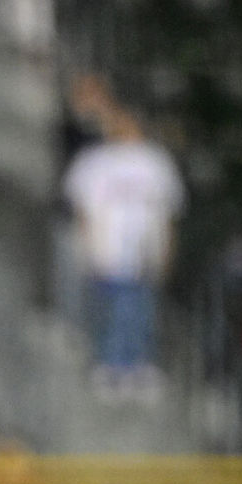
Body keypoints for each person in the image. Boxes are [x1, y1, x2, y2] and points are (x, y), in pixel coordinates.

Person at [62, 104, 186, 401]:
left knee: (141, 305)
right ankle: (110, 363)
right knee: (112, 305)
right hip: (108, 245)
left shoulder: (156, 161)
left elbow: (168, 209)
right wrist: (89, 246)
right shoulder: (94, 162)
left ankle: (140, 362)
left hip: (144, 246)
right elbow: (81, 207)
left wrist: (166, 248)